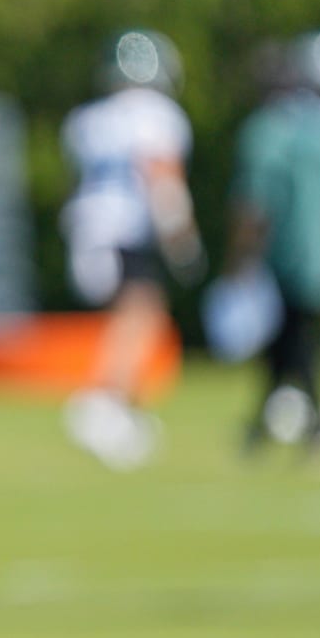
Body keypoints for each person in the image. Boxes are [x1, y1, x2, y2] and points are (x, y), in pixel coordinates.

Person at [58, 29, 205, 469]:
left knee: (132, 313)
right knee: (140, 314)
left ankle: (121, 406)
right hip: (125, 228)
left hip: (87, 228)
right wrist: (182, 236)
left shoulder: (87, 119)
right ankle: (106, 401)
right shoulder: (158, 116)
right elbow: (161, 176)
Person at [224, 31, 320, 449]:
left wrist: (239, 261)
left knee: (295, 339)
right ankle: (266, 426)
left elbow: (254, 205)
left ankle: (316, 422)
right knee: (290, 338)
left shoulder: (263, 131)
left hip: (286, 254)